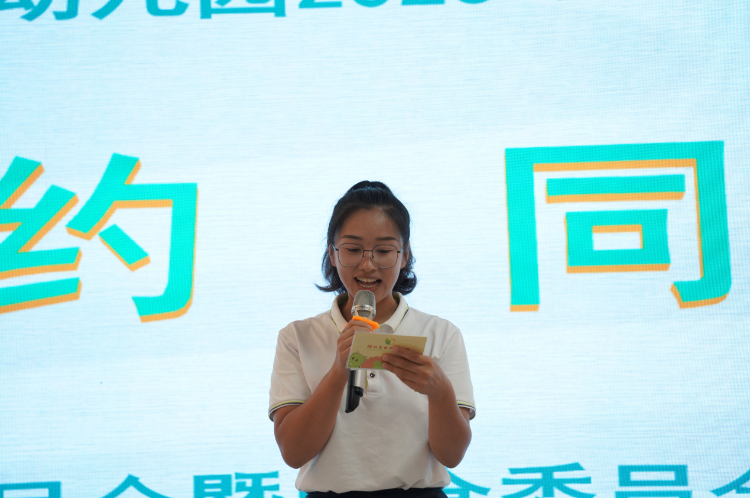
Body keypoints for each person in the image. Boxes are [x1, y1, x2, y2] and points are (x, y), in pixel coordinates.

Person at [268, 181, 475, 497]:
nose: (367, 264)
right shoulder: (298, 337)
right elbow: (293, 453)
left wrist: (440, 391)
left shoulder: (441, 333)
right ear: (332, 254)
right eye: (352, 250)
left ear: (405, 256)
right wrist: (339, 370)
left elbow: (452, 455)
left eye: (384, 251)